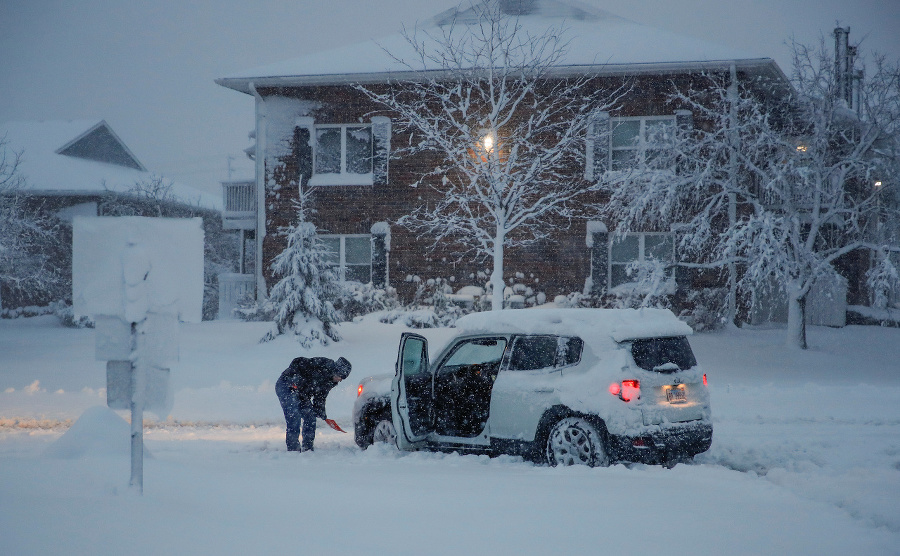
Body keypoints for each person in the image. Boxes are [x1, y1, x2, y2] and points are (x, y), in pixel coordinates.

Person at [275, 356, 352, 452]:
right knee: (294, 416)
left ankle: (308, 448)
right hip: (287, 385)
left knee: (310, 417)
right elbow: (297, 361)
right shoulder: (323, 364)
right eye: (341, 376)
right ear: (336, 370)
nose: (340, 380)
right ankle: (293, 449)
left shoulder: (330, 381)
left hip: (302, 393)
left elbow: (320, 397)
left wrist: (321, 413)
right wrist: (295, 378)